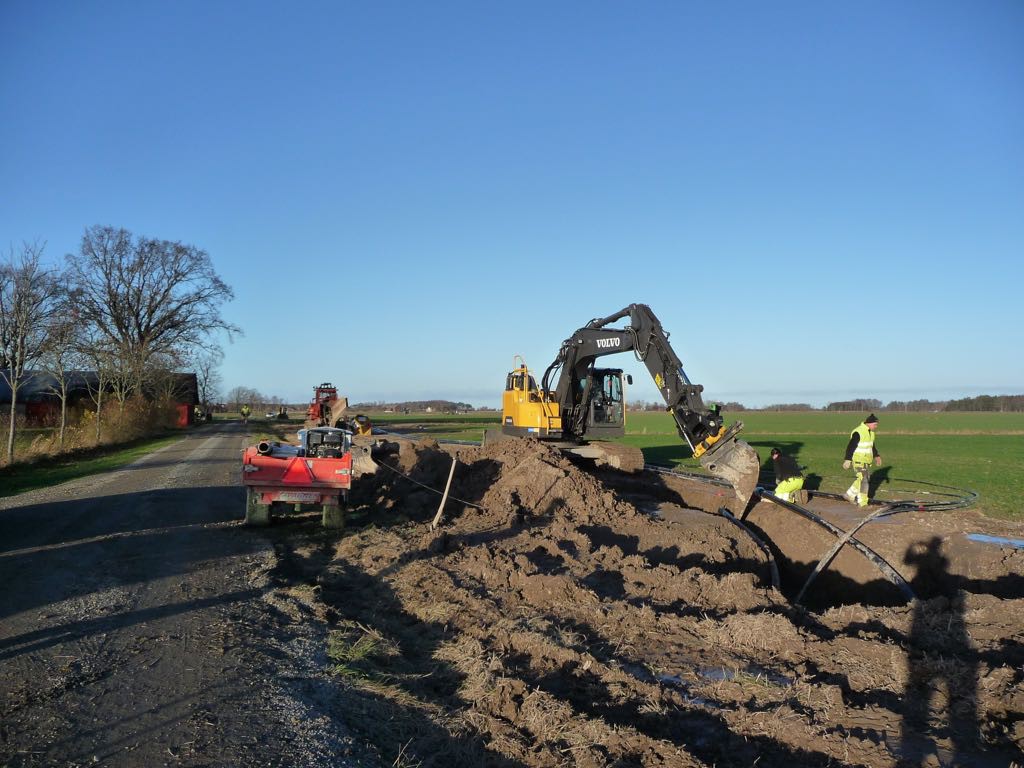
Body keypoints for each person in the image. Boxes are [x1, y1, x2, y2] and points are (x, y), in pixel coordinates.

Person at [843, 413, 882, 507]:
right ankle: (863, 503)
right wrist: (847, 459)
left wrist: (876, 456)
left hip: (866, 461)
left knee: (862, 478)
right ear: (869, 423)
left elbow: (871, 446)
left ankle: (849, 495)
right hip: (858, 460)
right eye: (875, 424)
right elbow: (851, 446)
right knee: (864, 479)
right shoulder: (858, 432)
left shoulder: (871, 433)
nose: (876, 427)